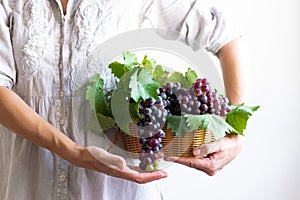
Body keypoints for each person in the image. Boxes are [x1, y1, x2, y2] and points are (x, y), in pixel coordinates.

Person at [0, 0, 248, 199]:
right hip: (28, 186)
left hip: (121, 189)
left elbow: (223, 35)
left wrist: (233, 132)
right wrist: (74, 153)